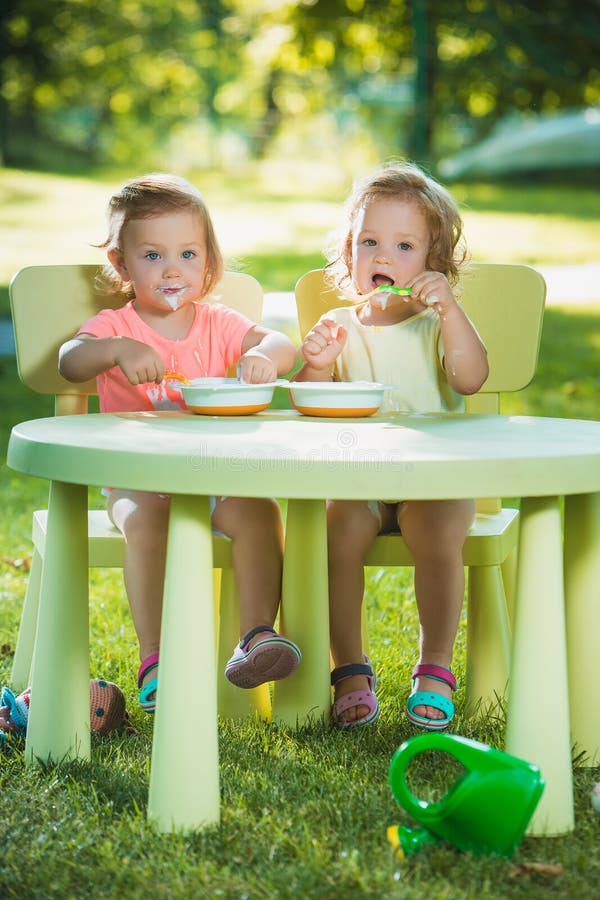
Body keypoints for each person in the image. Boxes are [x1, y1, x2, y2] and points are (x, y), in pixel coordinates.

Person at [58, 173, 301, 712]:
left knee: (262, 516)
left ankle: (256, 636)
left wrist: (268, 356)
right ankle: (157, 660)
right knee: (147, 523)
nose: (173, 269)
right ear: (122, 264)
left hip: (218, 475)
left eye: (188, 253)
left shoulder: (218, 322)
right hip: (139, 481)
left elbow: (279, 341)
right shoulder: (115, 323)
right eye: (152, 255)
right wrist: (115, 350)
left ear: (208, 261)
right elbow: (69, 360)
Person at [293, 161, 489, 731]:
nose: (382, 257)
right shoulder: (339, 325)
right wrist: (316, 366)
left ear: (433, 262)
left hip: (433, 483)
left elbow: (471, 378)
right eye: (369, 242)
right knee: (338, 528)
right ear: (348, 252)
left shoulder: (436, 324)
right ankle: (349, 668)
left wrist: (450, 310)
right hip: (359, 482)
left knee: (438, 532)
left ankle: (434, 668)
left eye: (403, 245)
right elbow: (307, 406)